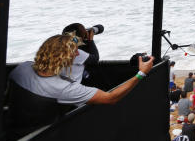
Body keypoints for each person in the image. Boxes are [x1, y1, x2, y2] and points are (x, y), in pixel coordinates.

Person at [8, 34, 155, 125]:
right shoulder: (64, 89)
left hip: (16, 124)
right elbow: (111, 98)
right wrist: (141, 73)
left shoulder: (23, 68)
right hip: (43, 137)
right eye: (74, 52)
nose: (78, 53)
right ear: (64, 57)